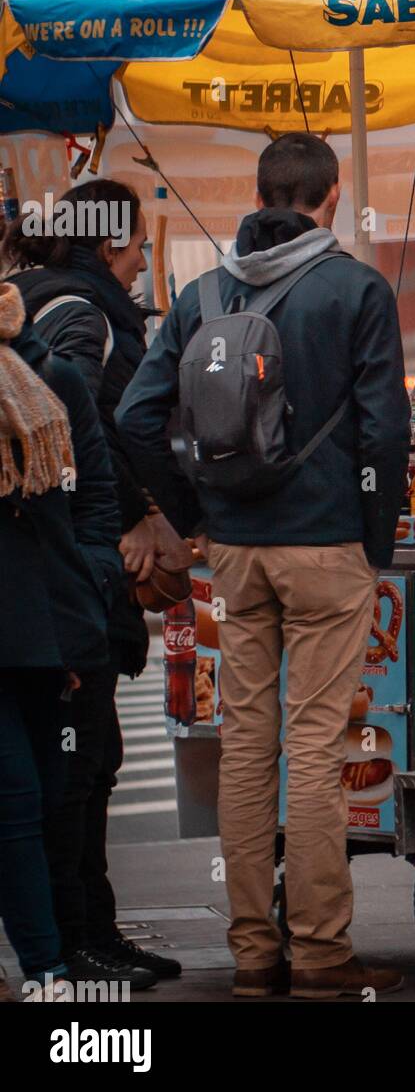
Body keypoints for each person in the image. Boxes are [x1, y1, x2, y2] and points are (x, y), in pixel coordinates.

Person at [116, 133, 411, 999]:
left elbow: (137, 417)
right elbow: (385, 431)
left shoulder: (201, 294)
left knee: (246, 745)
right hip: (326, 548)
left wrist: (201, 512)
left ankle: (253, 954)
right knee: (314, 748)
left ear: (261, 194)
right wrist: (372, 537)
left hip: (236, 556)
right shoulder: (356, 289)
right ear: (330, 195)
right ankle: (321, 955)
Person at [1, 180, 179, 987]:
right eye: (138, 245)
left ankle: (83, 938)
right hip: (55, 598)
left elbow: (83, 456)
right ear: (110, 244)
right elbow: (89, 438)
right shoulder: (85, 315)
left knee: (77, 773)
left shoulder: (47, 316)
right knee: (65, 779)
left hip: (57, 595)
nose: (143, 262)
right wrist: (131, 524)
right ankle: (70, 944)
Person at [0, 282, 123, 999]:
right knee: (14, 800)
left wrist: (90, 591)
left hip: (48, 631)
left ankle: (51, 963)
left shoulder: (49, 372)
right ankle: (47, 973)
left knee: (50, 797)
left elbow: (94, 502)